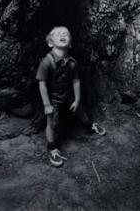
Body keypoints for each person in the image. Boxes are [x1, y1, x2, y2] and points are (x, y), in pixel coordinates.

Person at [36, 26, 106, 167]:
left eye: (66, 34)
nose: (62, 35)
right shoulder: (47, 62)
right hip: (53, 98)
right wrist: (47, 105)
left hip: (67, 95)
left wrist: (77, 99)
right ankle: (52, 148)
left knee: (81, 111)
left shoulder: (72, 62)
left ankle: (89, 126)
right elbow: (42, 84)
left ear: (70, 43)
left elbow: (76, 81)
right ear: (50, 43)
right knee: (52, 122)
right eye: (58, 34)